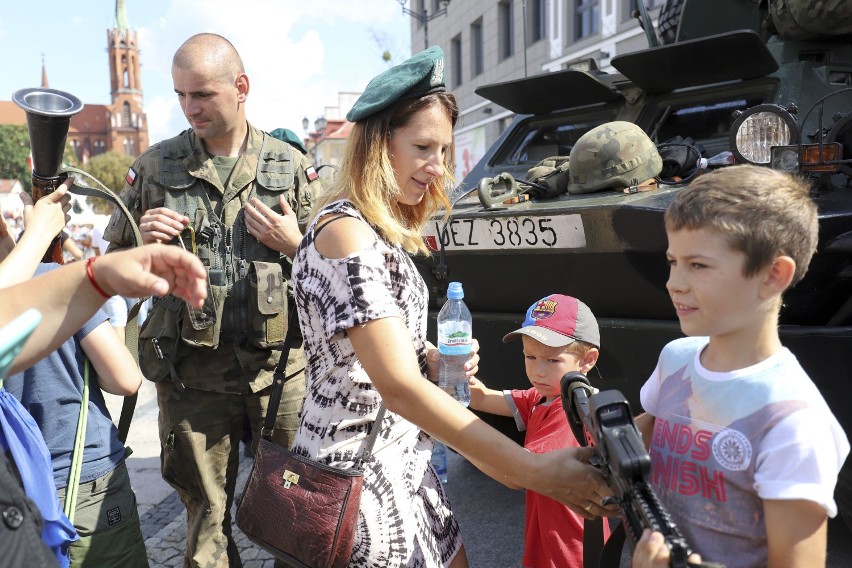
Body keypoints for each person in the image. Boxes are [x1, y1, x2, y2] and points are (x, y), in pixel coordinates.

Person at [290, 46, 612, 568]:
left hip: (404, 466)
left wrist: (430, 360)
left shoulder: (378, 233)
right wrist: (530, 472)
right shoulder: (347, 233)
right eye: (422, 146)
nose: (437, 167)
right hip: (357, 479)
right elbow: (394, 385)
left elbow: (377, 355)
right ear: (377, 145)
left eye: (444, 149)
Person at [102, 33, 322, 567]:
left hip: (280, 374)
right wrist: (142, 240)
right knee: (204, 520)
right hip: (191, 376)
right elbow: (107, 274)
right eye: (180, 95)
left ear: (240, 87)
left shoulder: (288, 165)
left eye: (202, 94)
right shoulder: (156, 167)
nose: (189, 107)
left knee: (297, 513)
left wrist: (296, 243)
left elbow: (335, 268)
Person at [634, 165, 850, 567]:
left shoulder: (794, 425)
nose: (674, 282)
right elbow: (650, 427)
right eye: (672, 261)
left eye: (697, 265)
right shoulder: (677, 358)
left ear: (773, 275)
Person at [467, 293, 608, 568]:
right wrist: (454, 372)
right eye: (529, 357)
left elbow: (517, 475)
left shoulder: (572, 410)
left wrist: (452, 434)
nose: (537, 371)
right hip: (547, 538)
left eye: (552, 360)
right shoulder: (542, 397)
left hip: (569, 549)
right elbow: (481, 397)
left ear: (587, 360)